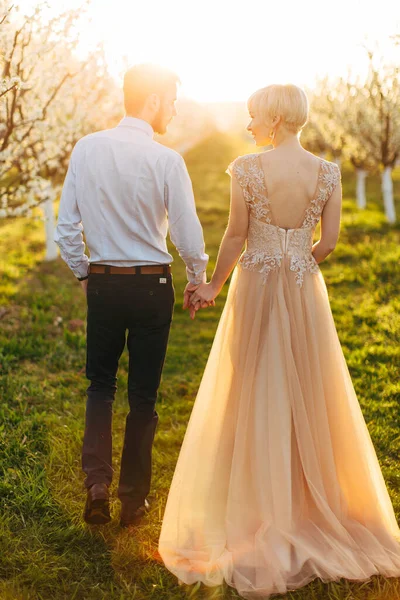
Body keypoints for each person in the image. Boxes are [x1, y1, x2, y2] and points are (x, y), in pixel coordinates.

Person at [158, 83, 400, 598]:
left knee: (250, 382)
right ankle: (308, 498)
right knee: (311, 387)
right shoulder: (329, 172)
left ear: (272, 118)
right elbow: (329, 241)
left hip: (258, 283)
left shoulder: (247, 169)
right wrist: (300, 263)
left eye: (252, 117)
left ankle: (254, 499)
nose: (247, 126)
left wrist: (214, 285)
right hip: (302, 285)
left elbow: (235, 235)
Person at [54, 63, 209, 527]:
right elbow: (186, 233)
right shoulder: (167, 160)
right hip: (151, 285)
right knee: (143, 396)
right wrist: (197, 278)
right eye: (173, 101)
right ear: (155, 100)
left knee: (100, 385)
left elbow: (66, 230)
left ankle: (97, 485)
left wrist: (87, 275)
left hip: (104, 283)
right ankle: (134, 499)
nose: (176, 111)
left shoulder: (86, 148)